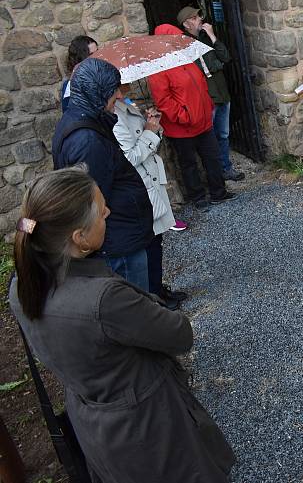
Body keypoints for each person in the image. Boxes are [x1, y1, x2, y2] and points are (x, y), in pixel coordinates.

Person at [9, 166, 236, 482]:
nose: (109, 212)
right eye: (101, 214)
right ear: (80, 238)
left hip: (93, 421)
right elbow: (179, 334)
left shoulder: (21, 286)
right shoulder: (103, 299)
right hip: (148, 426)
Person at [52, 58, 154, 291]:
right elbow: (95, 202)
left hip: (120, 235)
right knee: (132, 303)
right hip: (117, 244)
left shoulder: (82, 119)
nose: (119, 96)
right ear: (97, 93)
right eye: (113, 90)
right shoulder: (87, 141)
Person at [147, 23, 236, 211]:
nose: (181, 40)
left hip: (202, 121)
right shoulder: (158, 68)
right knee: (189, 164)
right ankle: (198, 198)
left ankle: (218, 193)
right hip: (182, 127)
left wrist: (208, 104)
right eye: (176, 38)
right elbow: (164, 101)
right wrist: (184, 116)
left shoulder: (185, 59)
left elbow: (202, 83)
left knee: (212, 157)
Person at [112, 88, 188, 308]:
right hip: (142, 186)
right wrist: (148, 131)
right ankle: (154, 297)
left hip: (151, 181)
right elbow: (129, 157)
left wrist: (152, 124)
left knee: (156, 242)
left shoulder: (124, 106)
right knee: (149, 243)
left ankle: (158, 289)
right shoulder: (114, 117)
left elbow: (146, 138)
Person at [177, 6, 245, 181]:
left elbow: (225, 57)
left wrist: (213, 36)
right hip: (207, 98)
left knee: (223, 134)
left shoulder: (206, 39)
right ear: (186, 23)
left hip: (222, 94)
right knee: (209, 139)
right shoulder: (184, 44)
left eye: (199, 15)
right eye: (195, 17)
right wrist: (216, 66)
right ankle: (214, 174)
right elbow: (201, 69)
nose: (200, 19)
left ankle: (225, 168)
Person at [60, 35, 98, 112]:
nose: (97, 56)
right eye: (91, 54)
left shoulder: (103, 75)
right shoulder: (71, 86)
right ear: (81, 58)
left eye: (98, 52)